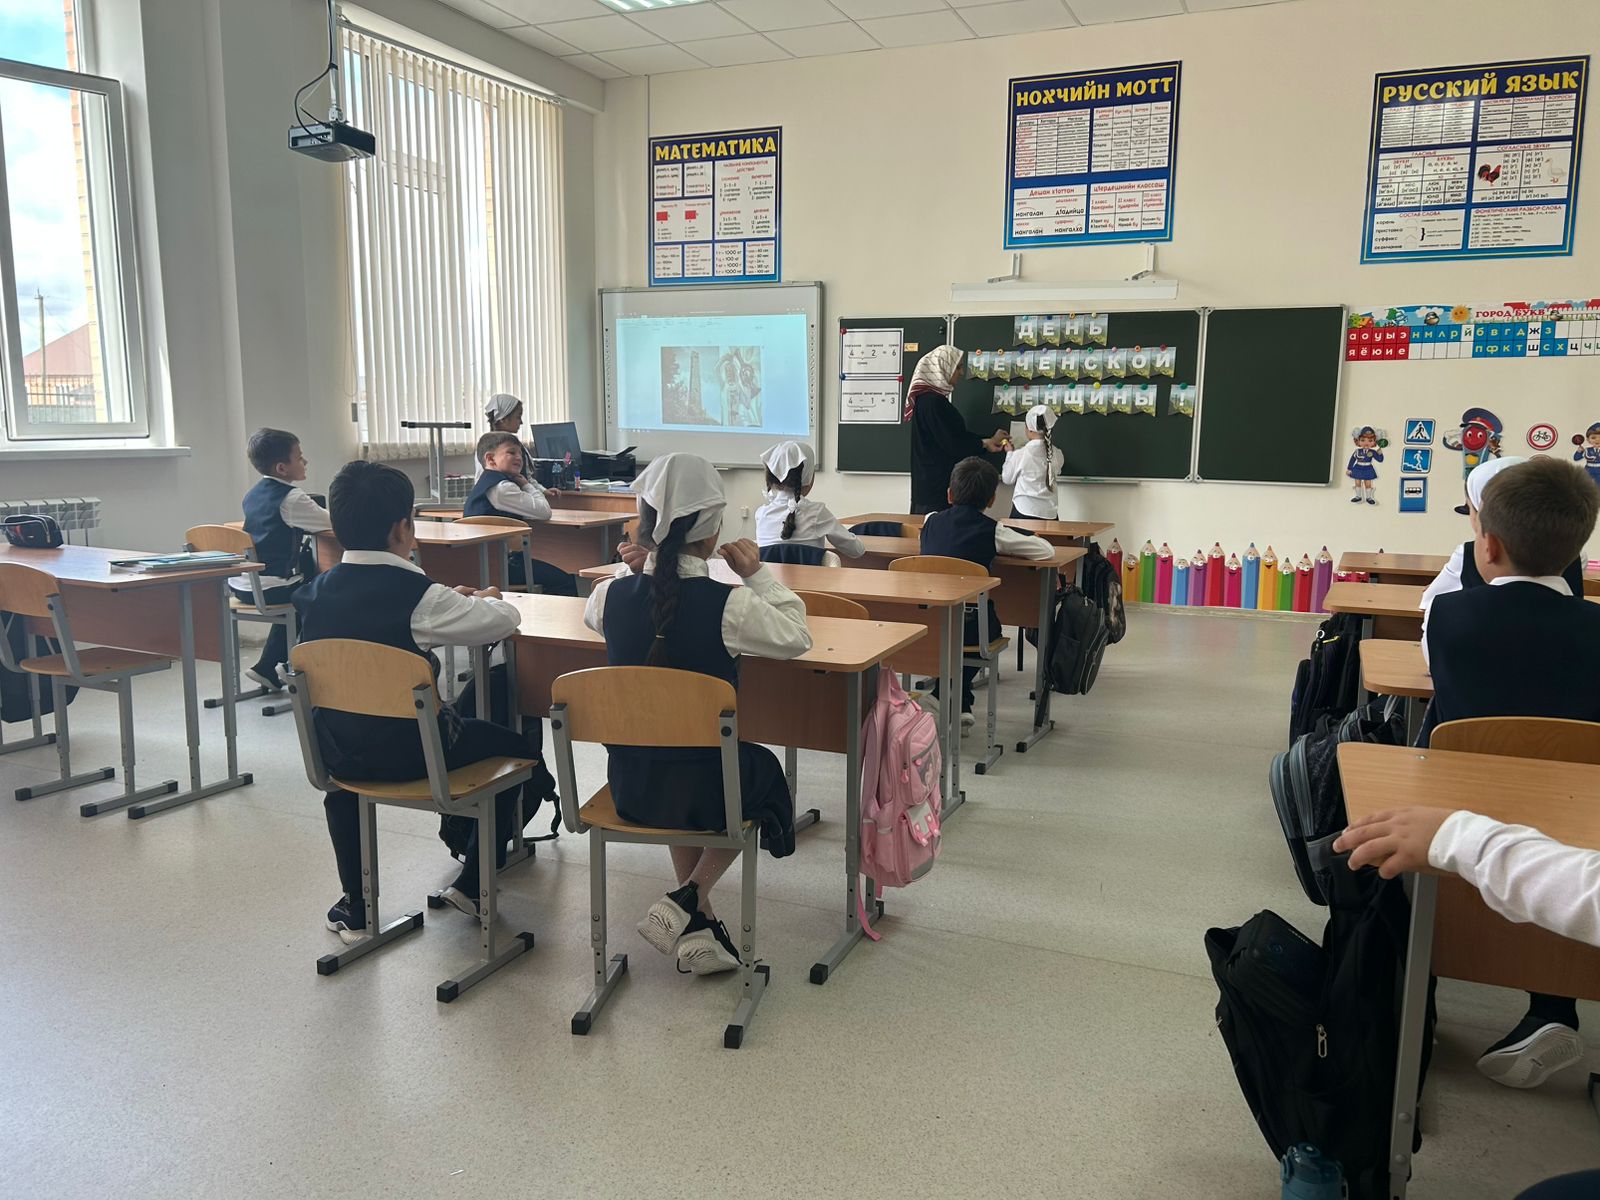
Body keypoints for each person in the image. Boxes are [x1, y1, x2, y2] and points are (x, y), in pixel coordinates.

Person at [297, 460, 546, 941]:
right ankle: (473, 884)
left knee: (344, 788)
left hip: (337, 755)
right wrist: (487, 598)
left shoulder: (312, 594)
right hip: (415, 755)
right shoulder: (420, 596)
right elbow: (502, 620)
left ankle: (355, 906)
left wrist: (446, 600)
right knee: (518, 750)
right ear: (402, 528)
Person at [583, 453, 811, 974]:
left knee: (674, 763)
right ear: (711, 532)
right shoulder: (729, 605)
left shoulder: (606, 598)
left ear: (644, 526)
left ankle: (699, 929)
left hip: (633, 786)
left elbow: (600, 611)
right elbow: (797, 636)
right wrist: (757, 575)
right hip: (708, 792)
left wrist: (629, 567)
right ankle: (687, 896)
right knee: (762, 773)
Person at [1414, 456, 1600, 1087]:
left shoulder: (1450, 617)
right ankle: (1554, 1008)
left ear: (1486, 545)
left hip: (1457, 822)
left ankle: (1415, 1010)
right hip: (1575, 834)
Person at [920, 456, 1053, 728]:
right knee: (988, 629)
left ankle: (958, 702)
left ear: (949, 494)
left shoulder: (930, 521)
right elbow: (1046, 551)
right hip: (973, 629)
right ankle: (944, 697)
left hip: (929, 622)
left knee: (956, 632)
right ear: (992, 500)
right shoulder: (994, 532)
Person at [235, 428, 332, 690]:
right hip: (271, 586)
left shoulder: (253, 493)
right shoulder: (291, 498)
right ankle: (300, 668)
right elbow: (331, 523)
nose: (305, 461)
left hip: (244, 584)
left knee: (308, 582)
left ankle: (268, 666)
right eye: (299, 457)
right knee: (320, 594)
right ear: (282, 468)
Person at [463, 431, 579, 597]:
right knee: (565, 580)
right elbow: (544, 511)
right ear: (490, 459)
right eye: (511, 452)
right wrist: (526, 485)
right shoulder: (502, 488)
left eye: (520, 454)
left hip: (479, 563)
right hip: (501, 565)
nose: (519, 458)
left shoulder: (486, 484)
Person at [906, 345, 1010, 515]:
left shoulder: (930, 400)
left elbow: (955, 436)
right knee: (936, 530)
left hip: (932, 487)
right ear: (942, 368)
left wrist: (987, 441)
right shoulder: (933, 403)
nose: (961, 373)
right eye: (958, 368)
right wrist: (984, 443)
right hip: (936, 492)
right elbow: (953, 444)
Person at [754, 440, 864, 564]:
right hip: (811, 578)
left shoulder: (761, 514)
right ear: (808, 478)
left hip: (769, 578)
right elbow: (857, 550)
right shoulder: (817, 513)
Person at [1001, 405, 1060, 520]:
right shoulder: (1057, 454)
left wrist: (1009, 454)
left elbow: (1007, 479)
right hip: (1049, 514)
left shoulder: (1020, 454)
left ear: (1029, 429)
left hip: (1023, 512)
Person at [479, 392, 535, 480]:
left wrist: (540, 488)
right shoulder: (487, 447)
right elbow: (483, 479)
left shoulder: (515, 445)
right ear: (503, 419)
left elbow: (527, 477)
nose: (521, 422)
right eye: (518, 417)